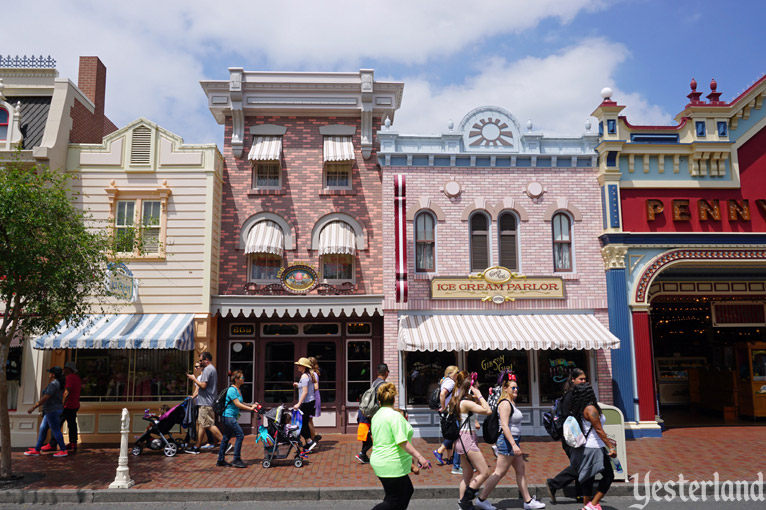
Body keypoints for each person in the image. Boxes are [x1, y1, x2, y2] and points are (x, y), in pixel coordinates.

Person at [475, 371, 545, 510]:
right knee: (499, 472)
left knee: (520, 470)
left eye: (517, 388)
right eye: (513, 388)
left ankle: (528, 501)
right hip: (507, 442)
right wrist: (513, 444)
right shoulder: (505, 403)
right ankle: (481, 499)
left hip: (513, 441)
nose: (516, 390)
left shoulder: (511, 402)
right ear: (505, 388)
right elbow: (505, 426)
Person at [370, 382, 431, 510]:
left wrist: (410, 462)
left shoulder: (376, 416)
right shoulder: (395, 416)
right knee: (395, 500)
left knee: (404, 491)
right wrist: (420, 457)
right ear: (394, 400)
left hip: (382, 461)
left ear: (379, 401)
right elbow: (402, 442)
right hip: (392, 463)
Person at [568, 383, 616, 510]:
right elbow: (599, 429)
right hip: (595, 448)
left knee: (589, 478)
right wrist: (610, 446)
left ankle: (586, 506)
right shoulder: (591, 409)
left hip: (586, 448)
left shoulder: (579, 407)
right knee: (609, 475)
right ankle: (593, 504)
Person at [449, 374, 491, 510]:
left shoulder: (462, 401)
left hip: (463, 438)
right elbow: (488, 410)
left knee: (467, 475)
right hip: (467, 439)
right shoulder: (466, 402)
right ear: (471, 387)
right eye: (477, 385)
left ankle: (462, 504)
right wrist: (479, 395)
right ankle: (465, 500)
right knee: (484, 472)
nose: (478, 387)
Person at [546, 368, 587, 504]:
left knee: (580, 464)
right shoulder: (571, 396)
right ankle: (554, 484)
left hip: (574, 435)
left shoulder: (575, 395)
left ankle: (580, 494)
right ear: (573, 380)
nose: (583, 381)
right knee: (578, 465)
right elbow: (572, 418)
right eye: (580, 379)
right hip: (571, 436)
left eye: (584, 379)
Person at [217, 370, 260, 469]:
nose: (243, 379)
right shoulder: (232, 390)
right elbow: (237, 404)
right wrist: (250, 409)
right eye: (242, 378)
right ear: (236, 379)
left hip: (231, 417)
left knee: (226, 437)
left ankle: (220, 460)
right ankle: (236, 459)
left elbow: (241, 402)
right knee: (240, 434)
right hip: (228, 417)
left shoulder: (238, 390)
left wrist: (251, 405)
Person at [25, 367, 69, 457]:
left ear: (53, 374)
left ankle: (63, 450)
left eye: (50, 372)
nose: (49, 373)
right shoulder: (59, 383)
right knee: (43, 428)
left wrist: (34, 407)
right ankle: (37, 449)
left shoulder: (53, 384)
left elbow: (46, 397)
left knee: (56, 430)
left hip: (52, 410)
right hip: (52, 410)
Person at [185, 351, 223, 454]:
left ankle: (225, 443)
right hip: (206, 402)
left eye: (201, 360)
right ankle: (197, 446)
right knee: (202, 424)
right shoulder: (212, 369)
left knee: (209, 424)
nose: (200, 362)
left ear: (206, 360)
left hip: (206, 402)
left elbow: (203, 386)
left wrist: (193, 378)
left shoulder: (207, 369)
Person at [41, 361, 81, 452]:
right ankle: (73, 443)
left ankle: (52, 444)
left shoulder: (69, 378)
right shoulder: (77, 378)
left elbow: (66, 392)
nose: (63, 370)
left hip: (66, 406)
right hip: (74, 405)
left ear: (68, 369)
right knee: (72, 424)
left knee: (56, 424)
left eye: (65, 368)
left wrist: (61, 404)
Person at [355, 363, 389, 464]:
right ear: (386, 372)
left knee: (369, 436)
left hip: (366, 413)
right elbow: (381, 401)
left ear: (377, 372)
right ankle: (365, 454)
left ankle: (363, 454)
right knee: (378, 435)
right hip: (373, 414)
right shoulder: (383, 385)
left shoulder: (375, 382)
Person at [433, 366, 463, 475]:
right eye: (457, 372)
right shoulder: (450, 382)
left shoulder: (445, 381)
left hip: (449, 411)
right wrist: (444, 407)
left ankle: (450, 457)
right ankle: (439, 451)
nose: (458, 374)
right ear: (452, 373)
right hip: (450, 411)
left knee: (450, 433)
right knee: (455, 434)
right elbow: (442, 394)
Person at [293, 357, 318, 452]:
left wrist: (298, 404)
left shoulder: (304, 376)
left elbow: (305, 392)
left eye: (299, 365)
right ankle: (308, 443)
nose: (298, 367)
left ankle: (309, 441)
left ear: (303, 366)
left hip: (305, 403)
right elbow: (306, 387)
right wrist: (298, 385)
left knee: (300, 425)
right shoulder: (309, 375)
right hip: (310, 402)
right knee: (305, 423)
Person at [309, 356, 322, 444]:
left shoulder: (314, 374)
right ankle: (313, 435)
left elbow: (316, 386)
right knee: (309, 419)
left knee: (308, 419)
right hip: (313, 396)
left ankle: (314, 435)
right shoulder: (312, 373)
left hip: (313, 397)